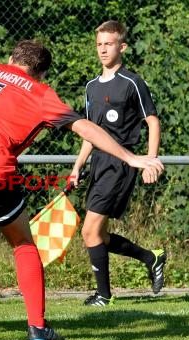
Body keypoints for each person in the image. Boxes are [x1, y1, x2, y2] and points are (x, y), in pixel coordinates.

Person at [0, 39, 164, 340]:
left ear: (10, 57)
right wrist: (131, 158)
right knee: (22, 243)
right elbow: (85, 128)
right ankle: (37, 326)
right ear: (41, 73)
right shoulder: (41, 93)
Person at [70, 20, 167, 307]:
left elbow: (152, 121)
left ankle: (103, 296)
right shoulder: (90, 87)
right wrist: (78, 166)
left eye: (108, 44)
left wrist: (149, 161)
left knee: (89, 231)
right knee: (98, 234)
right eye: (99, 44)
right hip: (99, 163)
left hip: (122, 163)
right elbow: (91, 132)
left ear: (121, 46)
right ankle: (151, 258)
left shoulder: (132, 82)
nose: (102, 49)